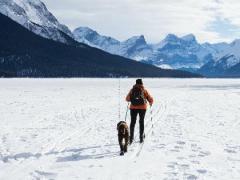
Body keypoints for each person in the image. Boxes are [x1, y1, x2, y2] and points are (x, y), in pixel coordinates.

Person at [126, 79, 153, 144]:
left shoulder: (132, 90)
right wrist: (150, 102)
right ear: (142, 83)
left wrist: (131, 99)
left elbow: (127, 99)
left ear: (136, 83)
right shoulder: (144, 90)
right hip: (143, 108)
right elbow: (150, 99)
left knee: (132, 122)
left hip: (133, 108)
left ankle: (131, 138)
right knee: (141, 122)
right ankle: (141, 138)